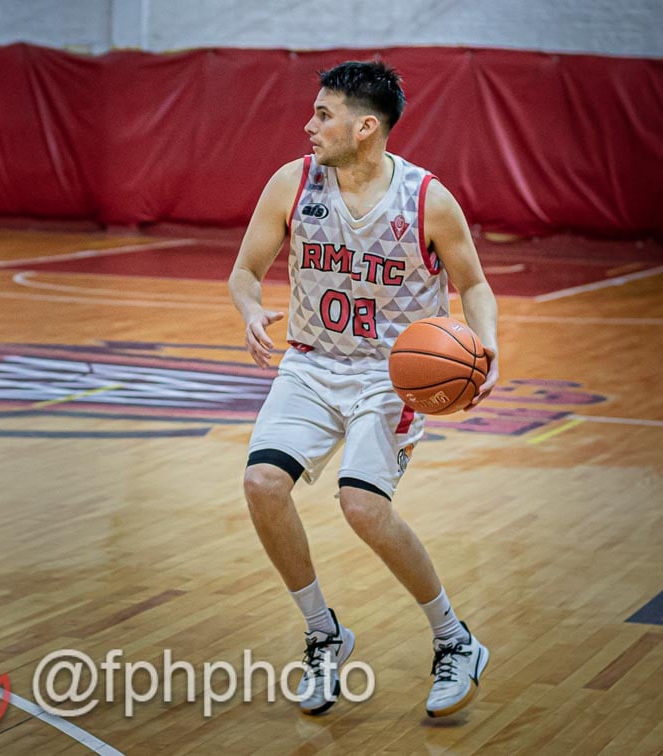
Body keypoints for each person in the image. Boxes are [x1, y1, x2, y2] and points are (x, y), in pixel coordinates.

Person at [228, 60, 499, 718]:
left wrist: (488, 346)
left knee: (362, 507)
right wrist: (247, 308)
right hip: (311, 361)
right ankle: (324, 632)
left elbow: (474, 284)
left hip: (391, 376)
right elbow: (244, 270)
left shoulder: (427, 198)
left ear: (366, 126)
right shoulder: (292, 185)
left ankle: (454, 638)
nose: (309, 124)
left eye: (324, 114)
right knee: (262, 485)